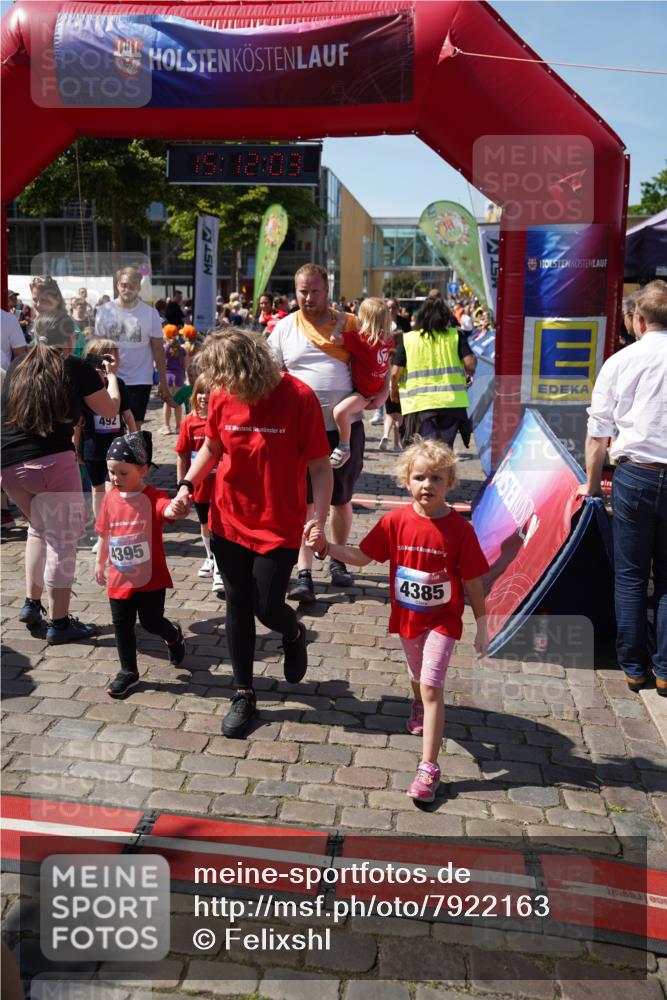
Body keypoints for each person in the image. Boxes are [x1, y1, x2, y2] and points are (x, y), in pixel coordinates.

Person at [305, 439, 489, 802]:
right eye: (420, 477)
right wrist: (326, 548)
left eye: (437, 478)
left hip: (444, 620)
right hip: (407, 616)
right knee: (417, 673)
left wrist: (483, 624)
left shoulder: (460, 531)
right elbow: (361, 555)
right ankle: (417, 703)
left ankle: (428, 767)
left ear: (450, 483)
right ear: (406, 481)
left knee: (433, 684)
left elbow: (473, 581)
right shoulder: (395, 521)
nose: (427, 485)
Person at [172, 328, 332, 738]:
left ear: (247, 368)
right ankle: (243, 693)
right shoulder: (225, 396)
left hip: (279, 522)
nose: (218, 387)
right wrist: (188, 485)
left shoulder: (299, 397)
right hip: (229, 518)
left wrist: (319, 517)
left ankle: (292, 632)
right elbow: (212, 447)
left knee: (266, 605)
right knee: (238, 606)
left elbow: (319, 464)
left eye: (224, 377)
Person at [269, 264, 387, 602]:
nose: (307, 298)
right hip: (299, 433)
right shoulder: (284, 327)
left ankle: (337, 560)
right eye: (302, 291)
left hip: (343, 430)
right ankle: (304, 572)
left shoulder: (349, 325)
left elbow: (380, 359)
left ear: (327, 290)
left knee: (341, 499)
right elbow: (271, 369)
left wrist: (382, 393)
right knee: (305, 502)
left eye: (314, 291)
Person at [1, 310, 120, 641]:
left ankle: (31, 602)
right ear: (69, 339)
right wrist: (110, 378)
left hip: (10, 465)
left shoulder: (18, 367)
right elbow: (109, 410)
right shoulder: (74, 366)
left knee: (38, 530)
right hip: (52, 463)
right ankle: (60, 622)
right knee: (63, 543)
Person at [579, 279, 667, 696]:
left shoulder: (620, 361)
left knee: (631, 578)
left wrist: (592, 488)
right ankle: (666, 670)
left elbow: (598, 435)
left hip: (635, 475)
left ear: (639, 319)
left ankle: (634, 667)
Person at [95, 432, 188, 698]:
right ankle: (129, 671)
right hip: (119, 578)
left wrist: (175, 508)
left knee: (151, 621)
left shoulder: (151, 496)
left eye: (123, 473)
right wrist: (100, 562)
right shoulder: (111, 498)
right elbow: (104, 532)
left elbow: (166, 509)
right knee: (122, 625)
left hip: (150, 578)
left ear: (143, 470)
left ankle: (172, 635)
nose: (115, 478)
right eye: (112, 472)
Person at [392, 298, 476, 448]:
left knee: (424, 451)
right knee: (444, 450)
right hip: (452, 405)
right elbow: (471, 363)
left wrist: (394, 392)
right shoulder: (456, 336)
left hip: (420, 406)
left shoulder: (408, 339)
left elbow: (394, 373)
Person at [94, 266, 172, 428]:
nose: (127, 289)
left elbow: (158, 349)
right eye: (123, 285)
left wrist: (163, 382)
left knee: (135, 426)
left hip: (140, 378)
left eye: (132, 286)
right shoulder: (103, 311)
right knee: (113, 427)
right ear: (117, 285)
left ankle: (136, 453)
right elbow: (99, 349)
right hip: (112, 376)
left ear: (138, 287)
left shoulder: (150, 314)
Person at [80, 339, 137, 549]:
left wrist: (135, 441)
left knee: (113, 486)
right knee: (97, 491)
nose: (117, 360)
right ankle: (101, 530)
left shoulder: (117, 383)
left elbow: (128, 415)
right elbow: (77, 422)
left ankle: (114, 530)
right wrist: (75, 446)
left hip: (116, 446)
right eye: (112, 356)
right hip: (92, 446)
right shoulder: (85, 385)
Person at [329, 296, 393, 468]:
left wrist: (341, 321)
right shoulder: (386, 339)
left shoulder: (361, 339)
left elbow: (334, 339)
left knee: (339, 412)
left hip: (363, 393)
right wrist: (385, 390)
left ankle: (344, 447)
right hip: (375, 391)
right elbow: (386, 365)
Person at [175, 373, 224, 597]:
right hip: (200, 485)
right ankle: (211, 556)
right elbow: (183, 455)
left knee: (220, 523)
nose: (205, 396)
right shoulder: (189, 421)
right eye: (201, 392)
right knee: (205, 522)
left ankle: (220, 567)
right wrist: (182, 484)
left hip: (220, 484)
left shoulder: (221, 419)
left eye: (209, 392)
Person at [161, 327, 187, 434]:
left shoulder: (163, 348)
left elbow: (156, 364)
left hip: (166, 377)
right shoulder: (182, 349)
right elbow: (185, 365)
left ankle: (166, 427)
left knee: (167, 403)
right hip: (178, 377)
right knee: (177, 403)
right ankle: (178, 427)